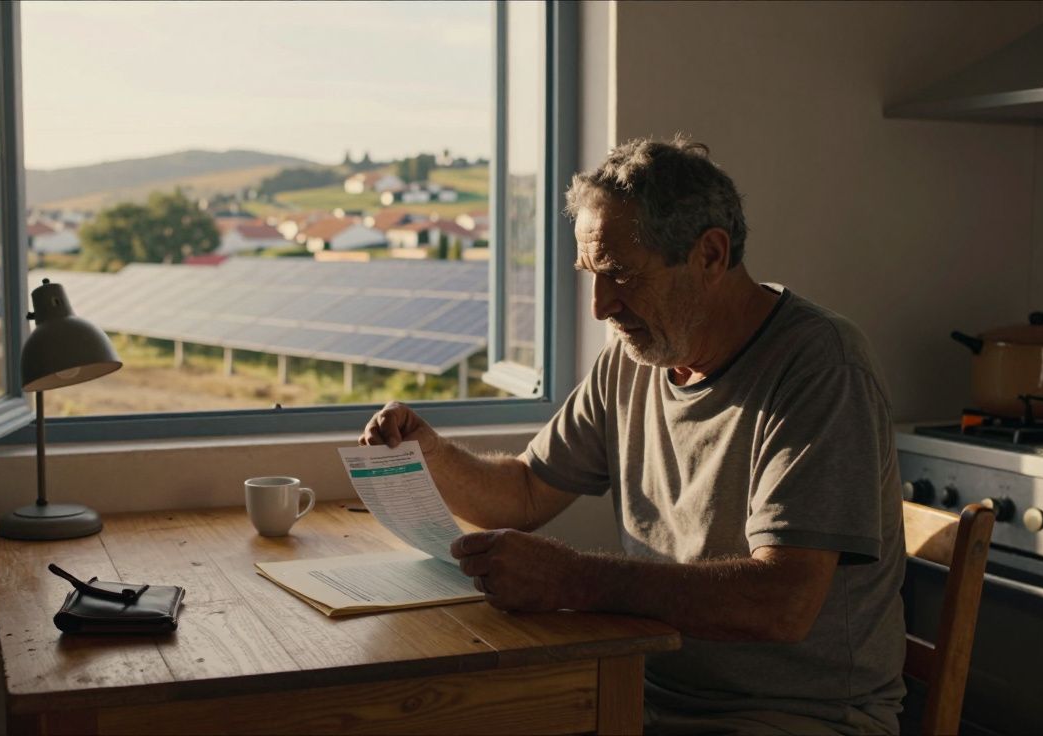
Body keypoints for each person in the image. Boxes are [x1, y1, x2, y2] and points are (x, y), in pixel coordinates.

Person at [359, 135, 906, 735]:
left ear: (711, 256)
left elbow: (784, 602)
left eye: (620, 274)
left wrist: (575, 578)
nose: (599, 306)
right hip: (640, 691)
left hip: (797, 717)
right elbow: (523, 494)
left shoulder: (821, 365)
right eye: (591, 274)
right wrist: (431, 455)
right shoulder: (636, 356)